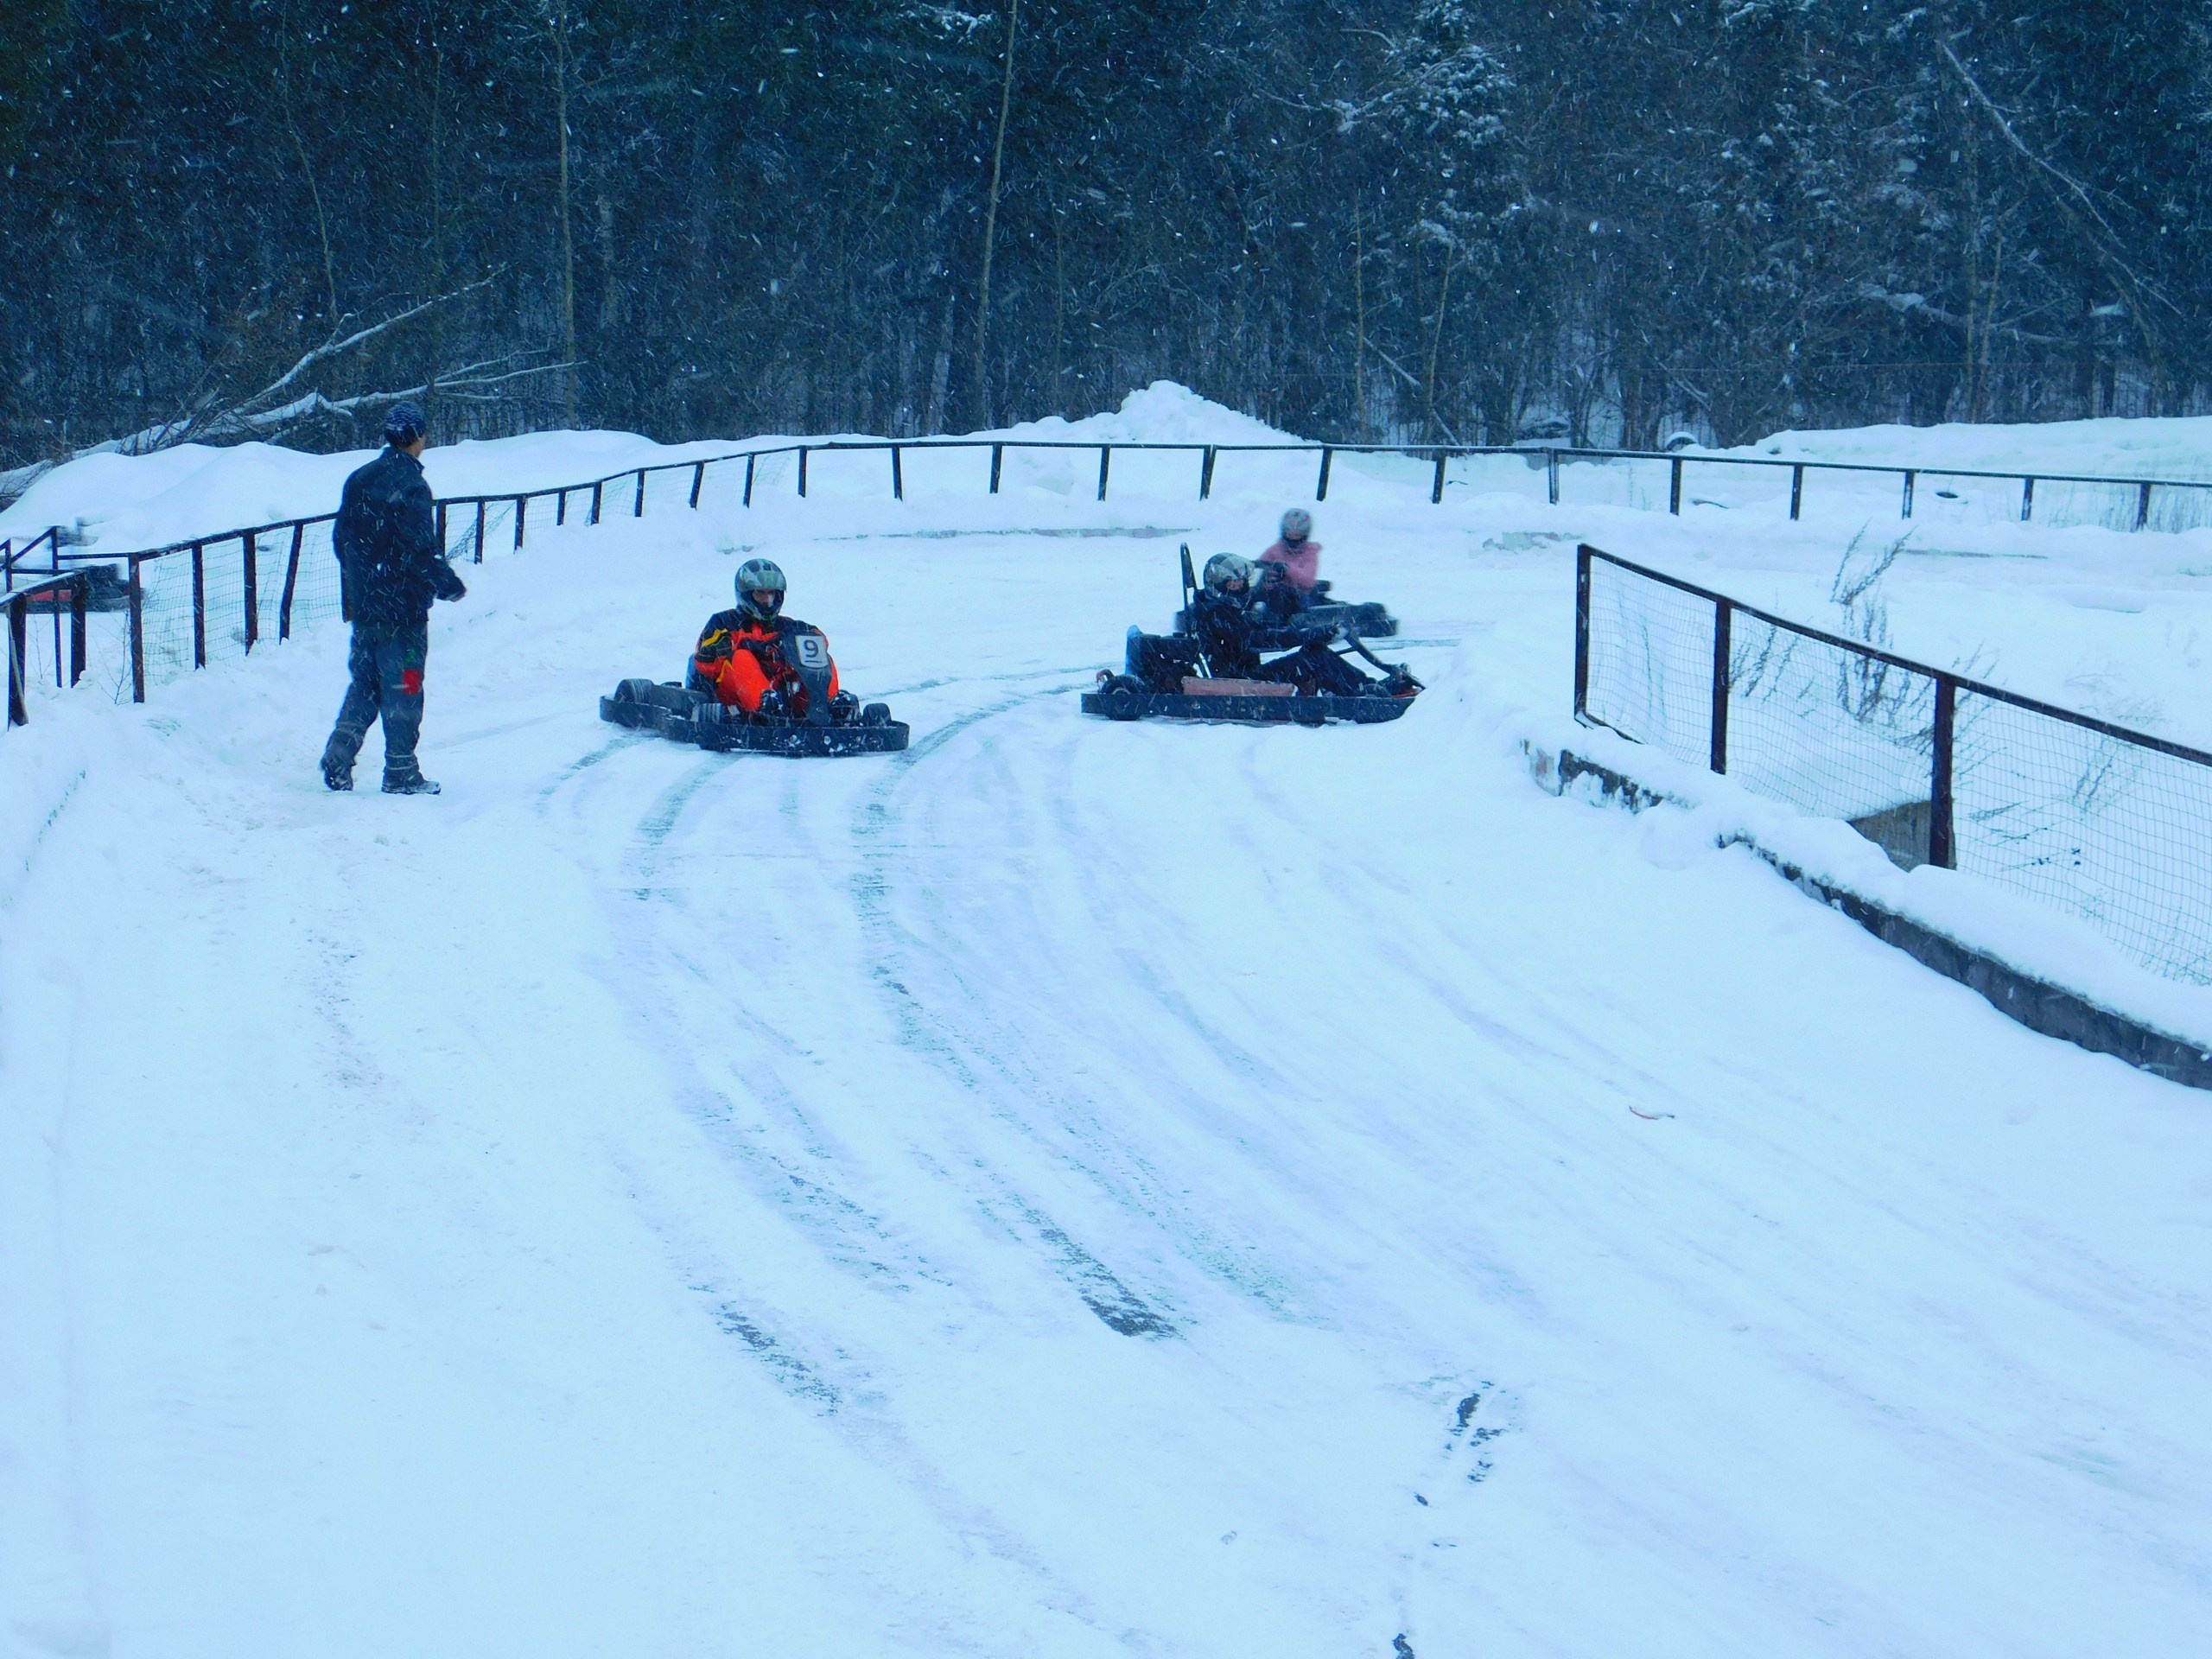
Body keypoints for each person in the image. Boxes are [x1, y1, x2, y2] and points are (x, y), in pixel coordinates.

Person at [320, 401, 467, 793]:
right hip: (404, 612)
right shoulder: (412, 486)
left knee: (365, 682)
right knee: (407, 683)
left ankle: (339, 752)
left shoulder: (359, 479)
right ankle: (401, 770)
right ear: (418, 437)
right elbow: (420, 550)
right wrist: (447, 584)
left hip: (367, 607)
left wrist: (364, 580)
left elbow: (342, 540)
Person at [1128, 552, 1382, 696]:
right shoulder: (1216, 613)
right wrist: (1310, 634)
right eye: (1233, 585)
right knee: (1314, 658)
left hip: (1244, 673)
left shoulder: (1222, 608)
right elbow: (1259, 640)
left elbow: (1262, 632)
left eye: (1241, 584)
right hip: (1237, 680)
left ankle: (1364, 687)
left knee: (1314, 653)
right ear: (1219, 585)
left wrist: (1312, 634)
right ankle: (1362, 692)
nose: (1239, 589)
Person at [689, 556, 852, 719]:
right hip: (733, 698)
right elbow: (706, 664)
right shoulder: (723, 622)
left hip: (784, 695)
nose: (767, 600)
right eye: (760, 593)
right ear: (746, 594)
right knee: (741, 657)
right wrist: (751, 647)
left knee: (821, 657)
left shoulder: (788, 625)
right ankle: (766, 708)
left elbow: (818, 640)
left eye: (771, 593)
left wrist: (785, 647)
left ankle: (827, 706)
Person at [1256, 506, 1321, 596]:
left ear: (1305, 535)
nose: (1292, 538)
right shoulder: (1275, 550)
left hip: (1298, 597)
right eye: (1289, 534)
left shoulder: (1310, 553)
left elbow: (1308, 581)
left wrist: (1286, 568)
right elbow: (1259, 566)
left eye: (1297, 535)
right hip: (1272, 594)